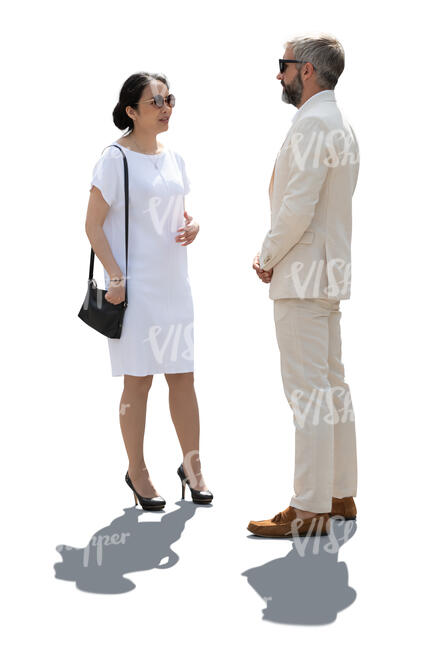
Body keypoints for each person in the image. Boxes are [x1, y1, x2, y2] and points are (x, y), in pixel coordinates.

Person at [85, 72, 213, 510]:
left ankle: (193, 466)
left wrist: (193, 224)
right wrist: (115, 277)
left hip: (175, 284)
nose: (165, 107)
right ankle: (137, 471)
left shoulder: (174, 157)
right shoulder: (114, 159)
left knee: (183, 377)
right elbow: (92, 226)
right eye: (155, 101)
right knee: (138, 382)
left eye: (169, 98)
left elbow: (176, 208)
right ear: (131, 111)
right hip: (135, 288)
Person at [248, 34, 359, 538]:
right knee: (331, 387)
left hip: (301, 273)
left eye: (284, 65)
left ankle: (310, 506)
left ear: (307, 71)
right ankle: (339, 493)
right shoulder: (339, 122)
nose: (279, 74)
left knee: (308, 394)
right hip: (327, 274)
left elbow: (298, 204)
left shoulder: (314, 123)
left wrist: (267, 255)